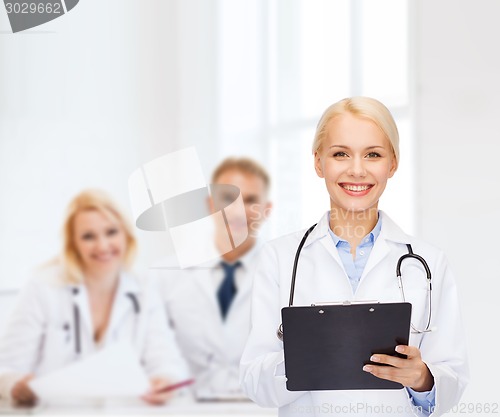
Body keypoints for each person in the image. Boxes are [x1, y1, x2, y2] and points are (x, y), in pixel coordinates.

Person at [240, 97, 469, 416]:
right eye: (340, 154)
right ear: (319, 162)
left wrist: (421, 378)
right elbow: (254, 381)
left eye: (373, 154)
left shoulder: (428, 262)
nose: (357, 170)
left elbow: (452, 375)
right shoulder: (280, 258)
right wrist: (300, 359)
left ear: (392, 163)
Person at [0, 189, 190, 406]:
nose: (102, 246)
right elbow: (6, 367)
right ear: (73, 244)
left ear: (126, 235)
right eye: (88, 236)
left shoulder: (144, 289)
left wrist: (165, 380)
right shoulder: (43, 288)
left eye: (111, 232)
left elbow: (167, 360)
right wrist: (15, 385)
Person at [152, 157, 272, 399]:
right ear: (210, 205)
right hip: (187, 408)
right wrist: (164, 379)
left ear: (266, 210)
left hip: (260, 410)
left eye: (250, 200)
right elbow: (156, 347)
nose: (238, 211)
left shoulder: (286, 272)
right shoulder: (165, 275)